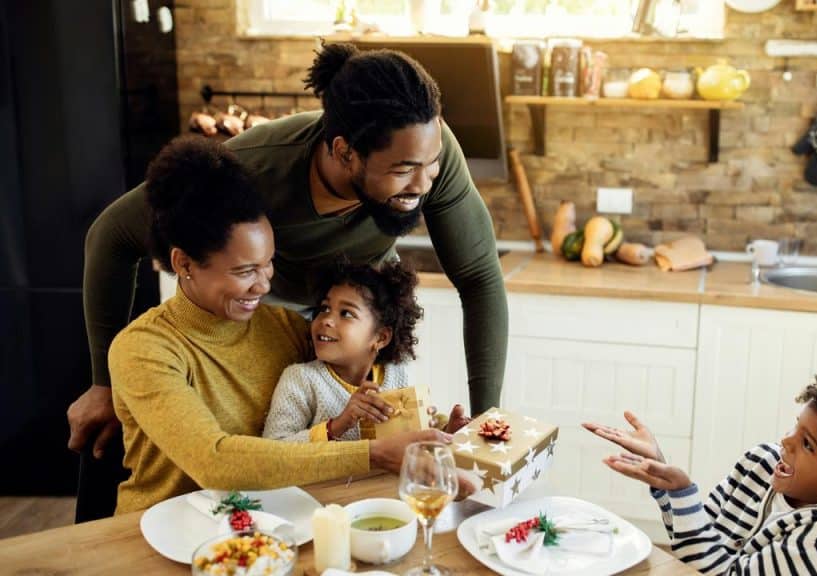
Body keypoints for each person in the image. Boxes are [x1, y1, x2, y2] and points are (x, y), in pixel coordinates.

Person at [68, 42, 507, 518]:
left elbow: (480, 276)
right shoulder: (252, 172)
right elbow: (111, 234)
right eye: (403, 170)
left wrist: (475, 423)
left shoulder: (422, 148)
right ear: (344, 152)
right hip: (242, 322)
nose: (424, 184)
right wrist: (105, 384)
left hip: (298, 328)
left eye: (433, 165)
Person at [109, 137, 455, 514]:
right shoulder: (144, 349)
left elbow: (347, 394)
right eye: (245, 271)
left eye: (269, 264)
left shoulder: (285, 327)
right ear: (184, 264)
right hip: (158, 529)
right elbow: (215, 461)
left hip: (266, 525)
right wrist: (372, 454)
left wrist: (426, 430)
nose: (264, 285)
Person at [584, 373, 817, 575]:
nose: (786, 442)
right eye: (796, 428)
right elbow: (701, 536)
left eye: (807, 445)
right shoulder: (761, 462)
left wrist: (682, 491)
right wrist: (665, 479)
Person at [262, 260, 470, 442]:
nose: (326, 320)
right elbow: (273, 449)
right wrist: (337, 425)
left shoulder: (399, 374)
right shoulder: (300, 379)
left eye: (346, 313)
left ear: (380, 337)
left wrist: (446, 431)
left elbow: (413, 445)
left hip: (380, 486)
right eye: (324, 308)